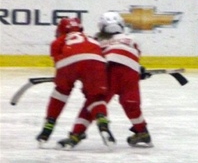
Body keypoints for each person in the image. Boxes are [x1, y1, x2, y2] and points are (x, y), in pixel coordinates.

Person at [57, 12, 152, 149]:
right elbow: (133, 57)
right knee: (131, 104)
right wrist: (139, 71)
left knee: (95, 102)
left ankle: (76, 134)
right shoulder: (132, 39)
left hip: (108, 70)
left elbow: (91, 59)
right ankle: (142, 132)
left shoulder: (96, 40)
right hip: (130, 71)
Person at [36, 17, 115, 148]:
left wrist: (62, 79)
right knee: (95, 97)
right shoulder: (92, 39)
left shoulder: (59, 41)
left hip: (69, 62)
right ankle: (103, 123)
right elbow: (103, 55)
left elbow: (60, 63)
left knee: (61, 92)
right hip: (96, 62)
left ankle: (48, 127)